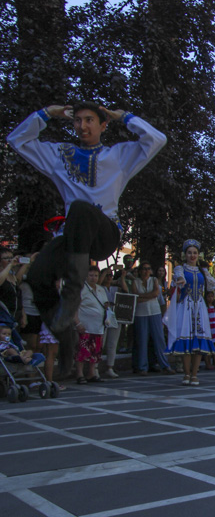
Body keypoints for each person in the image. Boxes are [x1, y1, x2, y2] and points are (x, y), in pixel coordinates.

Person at [6, 102, 166, 343]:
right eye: (78, 120)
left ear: (103, 125)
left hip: (105, 234)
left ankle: (73, 291)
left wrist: (124, 117)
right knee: (37, 275)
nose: (82, 125)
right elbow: (17, 140)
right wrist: (46, 114)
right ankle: (61, 331)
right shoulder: (60, 155)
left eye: (89, 120)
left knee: (81, 208)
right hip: (72, 237)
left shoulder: (118, 156)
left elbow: (157, 139)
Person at [163, 240, 215, 386]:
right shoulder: (180, 269)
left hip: (199, 307)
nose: (192, 255)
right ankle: (187, 373)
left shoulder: (203, 272)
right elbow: (178, 277)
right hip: (186, 306)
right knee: (186, 339)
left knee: (198, 339)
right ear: (185, 254)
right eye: (189, 253)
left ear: (198, 254)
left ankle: (194, 374)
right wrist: (180, 280)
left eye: (195, 253)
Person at [132, 261, 174, 375]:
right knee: (142, 340)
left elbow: (155, 293)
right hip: (141, 314)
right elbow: (135, 297)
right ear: (140, 271)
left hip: (155, 312)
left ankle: (165, 365)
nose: (146, 271)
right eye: (144, 269)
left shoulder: (154, 280)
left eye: (148, 269)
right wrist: (148, 296)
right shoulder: (135, 282)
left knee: (159, 339)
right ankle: (142, 367)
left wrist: (142, 297)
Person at [76, 266, 109, 384]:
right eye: (91, 275)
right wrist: (78, 323)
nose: (93, 278)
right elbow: (75, 307)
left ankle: (91, 374)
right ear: (86, 276)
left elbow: (105, 304)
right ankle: (79, 374)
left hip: (98, 327)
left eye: (96, 275)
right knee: (83, 351)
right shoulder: (81, 289)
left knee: (95, 351)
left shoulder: (100, 289)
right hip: (85, 326)